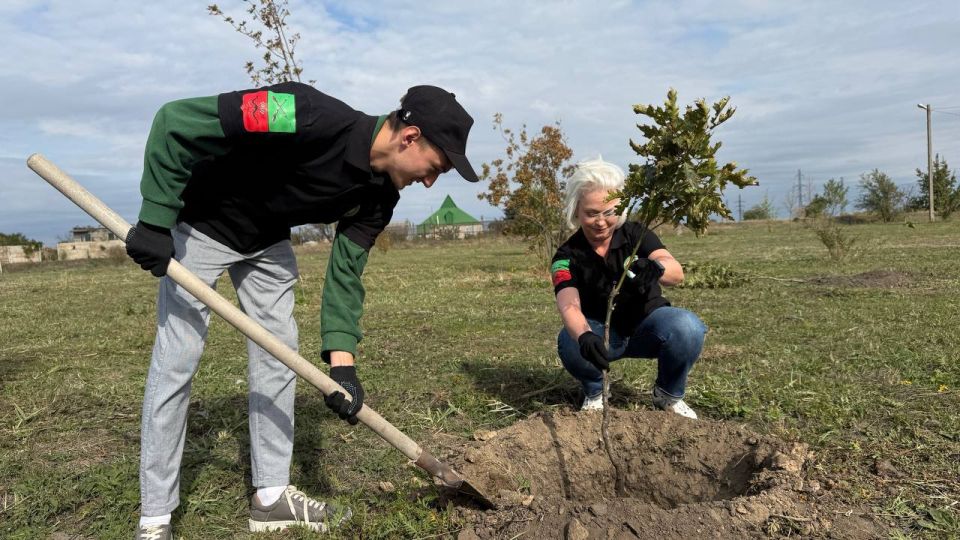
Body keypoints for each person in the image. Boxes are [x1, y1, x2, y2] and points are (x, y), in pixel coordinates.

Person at [125, 81, 479, 539]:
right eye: (436, 168)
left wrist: (343, 368)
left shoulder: (380, 196)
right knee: (178, 357)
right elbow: (175, 120)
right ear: (410, 138)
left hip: (267, 240)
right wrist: (156, 220)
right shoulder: (301, 111)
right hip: (202, 224)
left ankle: (271, 497)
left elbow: (346, 273)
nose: (430, 181)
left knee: (280, 355)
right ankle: (155, 517)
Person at [550, 158, 707, 418]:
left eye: (609, 212)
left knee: (687, 327)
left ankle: (667, 394)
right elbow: (568, 304)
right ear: (576, 209)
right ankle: (595, 392)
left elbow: (676, 272)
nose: (601, 222)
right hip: (601, 334)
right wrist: (585, 336)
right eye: (592, 213)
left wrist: (656, 268)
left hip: (648, 326)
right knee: (570, 341)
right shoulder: (566, 256)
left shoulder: (636, 235)